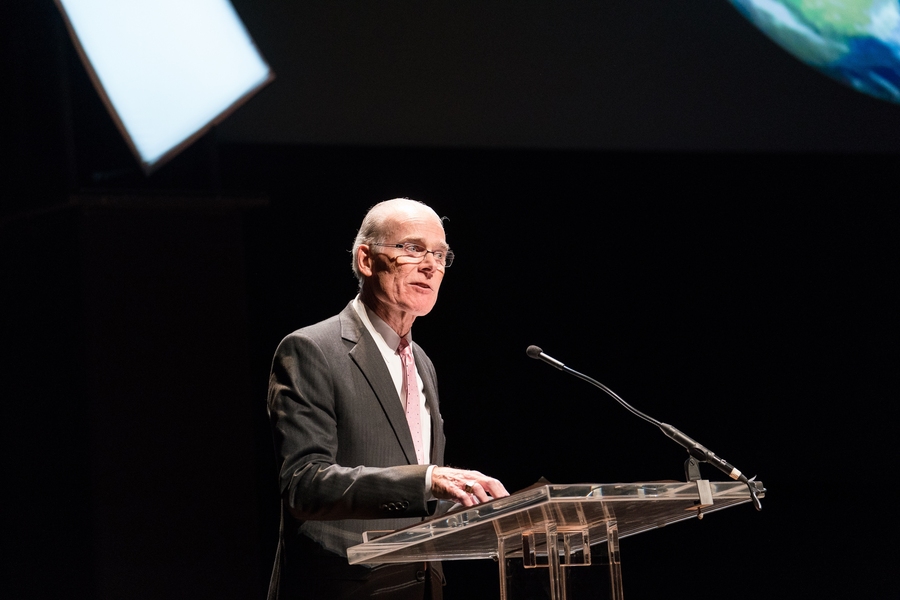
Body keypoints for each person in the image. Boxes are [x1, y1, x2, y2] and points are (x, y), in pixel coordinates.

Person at [266, 198, 509, 599]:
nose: (431, 266)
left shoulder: (423, 362)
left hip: (422, 585)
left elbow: (412, 494)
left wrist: (476, 506)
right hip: (345, 585)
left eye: (441, 255)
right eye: (413, 249)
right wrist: (430, 479)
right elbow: (304, 484)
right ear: (366, 260)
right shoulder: (312, 349)